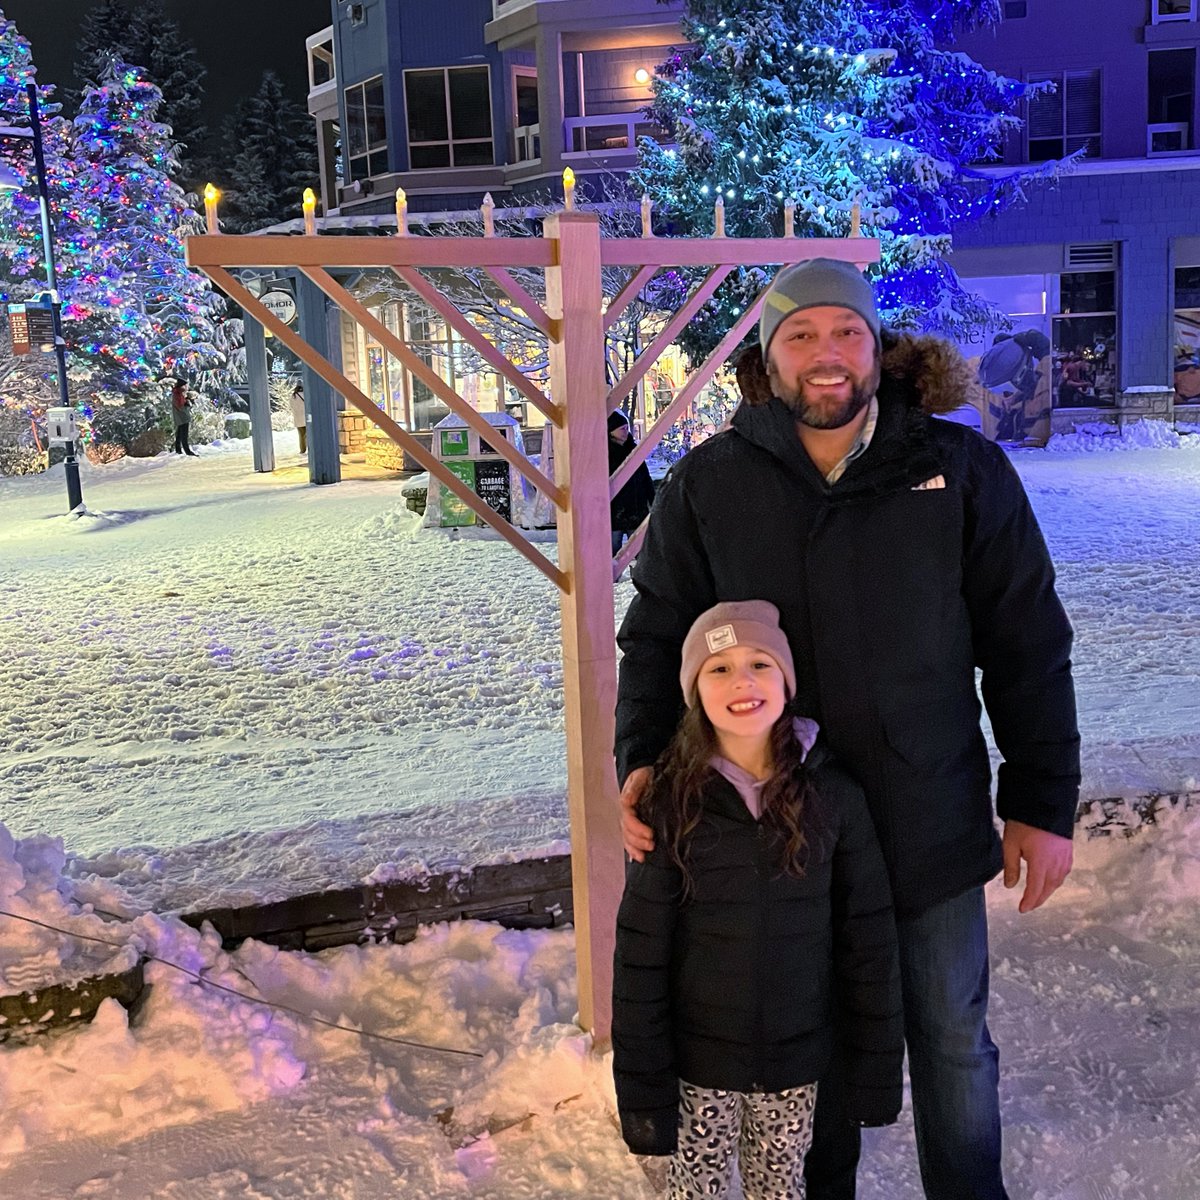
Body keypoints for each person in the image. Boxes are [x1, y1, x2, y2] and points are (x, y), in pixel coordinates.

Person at [615, 258, 1080, 1200]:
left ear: (878, 347)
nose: (827, 355)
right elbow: (659, 632)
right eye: (801, 336)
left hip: (931, 820)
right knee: (809, 1053)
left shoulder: (958, 471)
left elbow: (1027, 638)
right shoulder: (711, 484)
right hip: (785, 838)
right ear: (767, 359)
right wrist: (640, 763)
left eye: (847, 333)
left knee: (951, 1036)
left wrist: (1041, 800)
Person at [613, 600, 904, 1199]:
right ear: (694, 691)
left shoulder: (833, 795)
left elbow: (867, 938)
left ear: (787, 682)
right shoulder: (670, 804)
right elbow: (640, 955)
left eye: (760, 663)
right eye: (718, 668)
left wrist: (873, 1071)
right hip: (700, 1066)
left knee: (780, 1188)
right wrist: (644, 1090)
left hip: (794, 1062)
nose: (742, 681)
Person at [608, 409, 655, 557]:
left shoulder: (633, 449)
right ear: (611, 431)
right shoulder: (605, 453)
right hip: (615, 510)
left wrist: (652, 499)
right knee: (612, 549)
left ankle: (638, 577)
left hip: (636, 508)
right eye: (622, 429)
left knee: (640, 549)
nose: (625, 432)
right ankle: (611, 577)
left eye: (626, 428)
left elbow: (645, 477)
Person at [170, 379, 198, 456]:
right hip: (183, 417)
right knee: (184, 435)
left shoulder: (178, 393)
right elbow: (180, 406)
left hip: (181, 417)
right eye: (185, 385)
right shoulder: (178, 394)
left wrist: (186, 400)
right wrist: (187, 404)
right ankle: (188, 452)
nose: (186, 387)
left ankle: (178, 450)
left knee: (179, 434)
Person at [290, 382, 307, 455]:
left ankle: (302, 449)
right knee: (308, 435)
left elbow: (291, 406)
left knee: (301, 435)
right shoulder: (305, 395)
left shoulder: (293, 396)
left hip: (297, 418)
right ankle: (310, 448)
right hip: (306, 418)